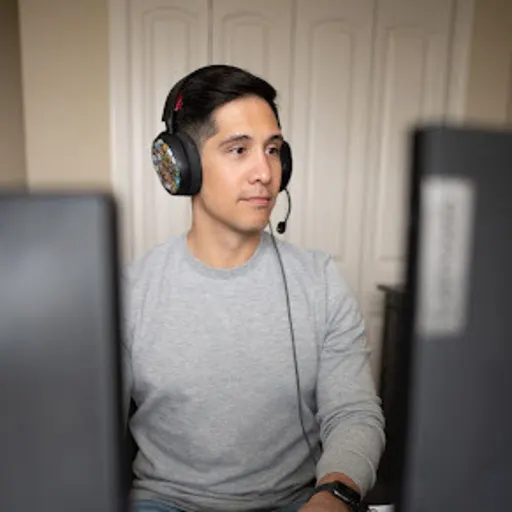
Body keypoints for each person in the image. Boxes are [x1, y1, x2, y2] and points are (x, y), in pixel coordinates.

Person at [122, 64, 385, 512]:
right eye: (238, 149)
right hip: (166, 502)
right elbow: (84, 430)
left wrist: (334, 494)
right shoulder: (131, 290)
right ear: (180, 164)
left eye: (273, 149)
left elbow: (354, 414)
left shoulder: (319, 281)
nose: (265, 172)